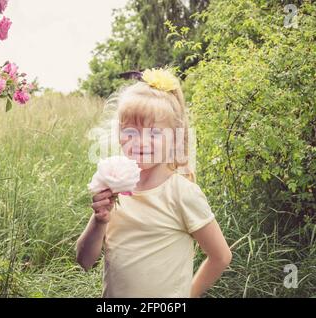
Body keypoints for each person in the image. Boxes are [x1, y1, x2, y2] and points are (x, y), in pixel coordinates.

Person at [76, 68, 232, 298]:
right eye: (131, 131)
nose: (142, 141)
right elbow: (85, 261)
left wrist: (190, 294)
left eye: (155, 133)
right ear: (119, 133)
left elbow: (220, 257)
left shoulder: (182, 193)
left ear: (176, 137)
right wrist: (99, 221)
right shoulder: (114, 188)